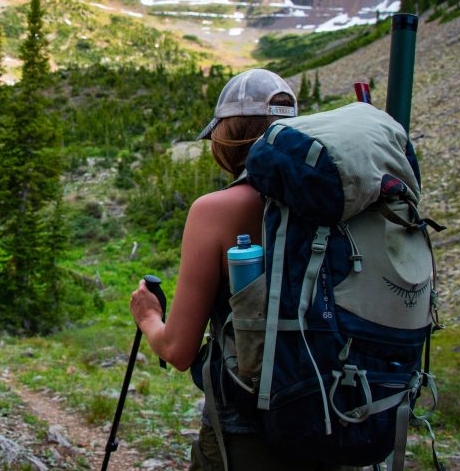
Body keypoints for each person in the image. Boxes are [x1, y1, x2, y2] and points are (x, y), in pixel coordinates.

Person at [130, 68, 331, 470]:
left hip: (247, 437)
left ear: (227, 136)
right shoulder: (339, 200)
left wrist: (149, 316)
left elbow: (178, 350)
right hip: (341, 421)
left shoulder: (215, 211)